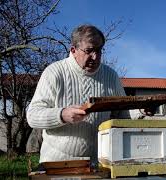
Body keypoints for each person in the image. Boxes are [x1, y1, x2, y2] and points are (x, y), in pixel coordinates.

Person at [27, 24, 130, 163]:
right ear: (73, 50)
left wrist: (142, 111)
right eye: (89, 50)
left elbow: (123, 114)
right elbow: (32, 116)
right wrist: (62, 115)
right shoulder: (54, 72)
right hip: (57, 164)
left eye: (99, 50)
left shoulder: (111, 76)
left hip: (100, 163)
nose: (95, 56)